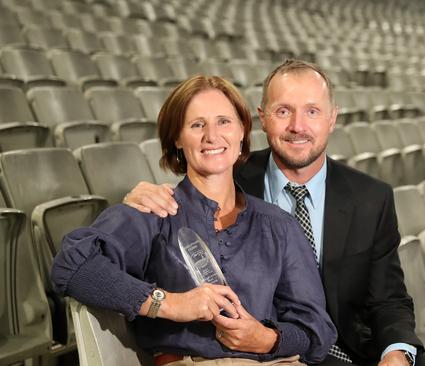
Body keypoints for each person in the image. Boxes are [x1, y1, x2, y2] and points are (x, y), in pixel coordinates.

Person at [126, 60, 425, 366]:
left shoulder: (372, 197)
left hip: (354, 350)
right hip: (267, 353)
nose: (298, 126)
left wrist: (396, 354)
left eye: (312, 111)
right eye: (283, 111)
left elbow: (389, 299)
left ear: (332, 118)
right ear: (261, 117)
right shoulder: (225, 178)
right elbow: (184, 199)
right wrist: (140, 197)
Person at [51, 75, 336, 366]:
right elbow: (72, 265)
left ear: (242, 132)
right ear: (177, 138)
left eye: (224, 121)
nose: (212, 136)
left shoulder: (279, 225)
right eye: (197, 125)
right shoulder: (154, 211)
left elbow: (317, 331)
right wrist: (169, 303)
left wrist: (266, 338)